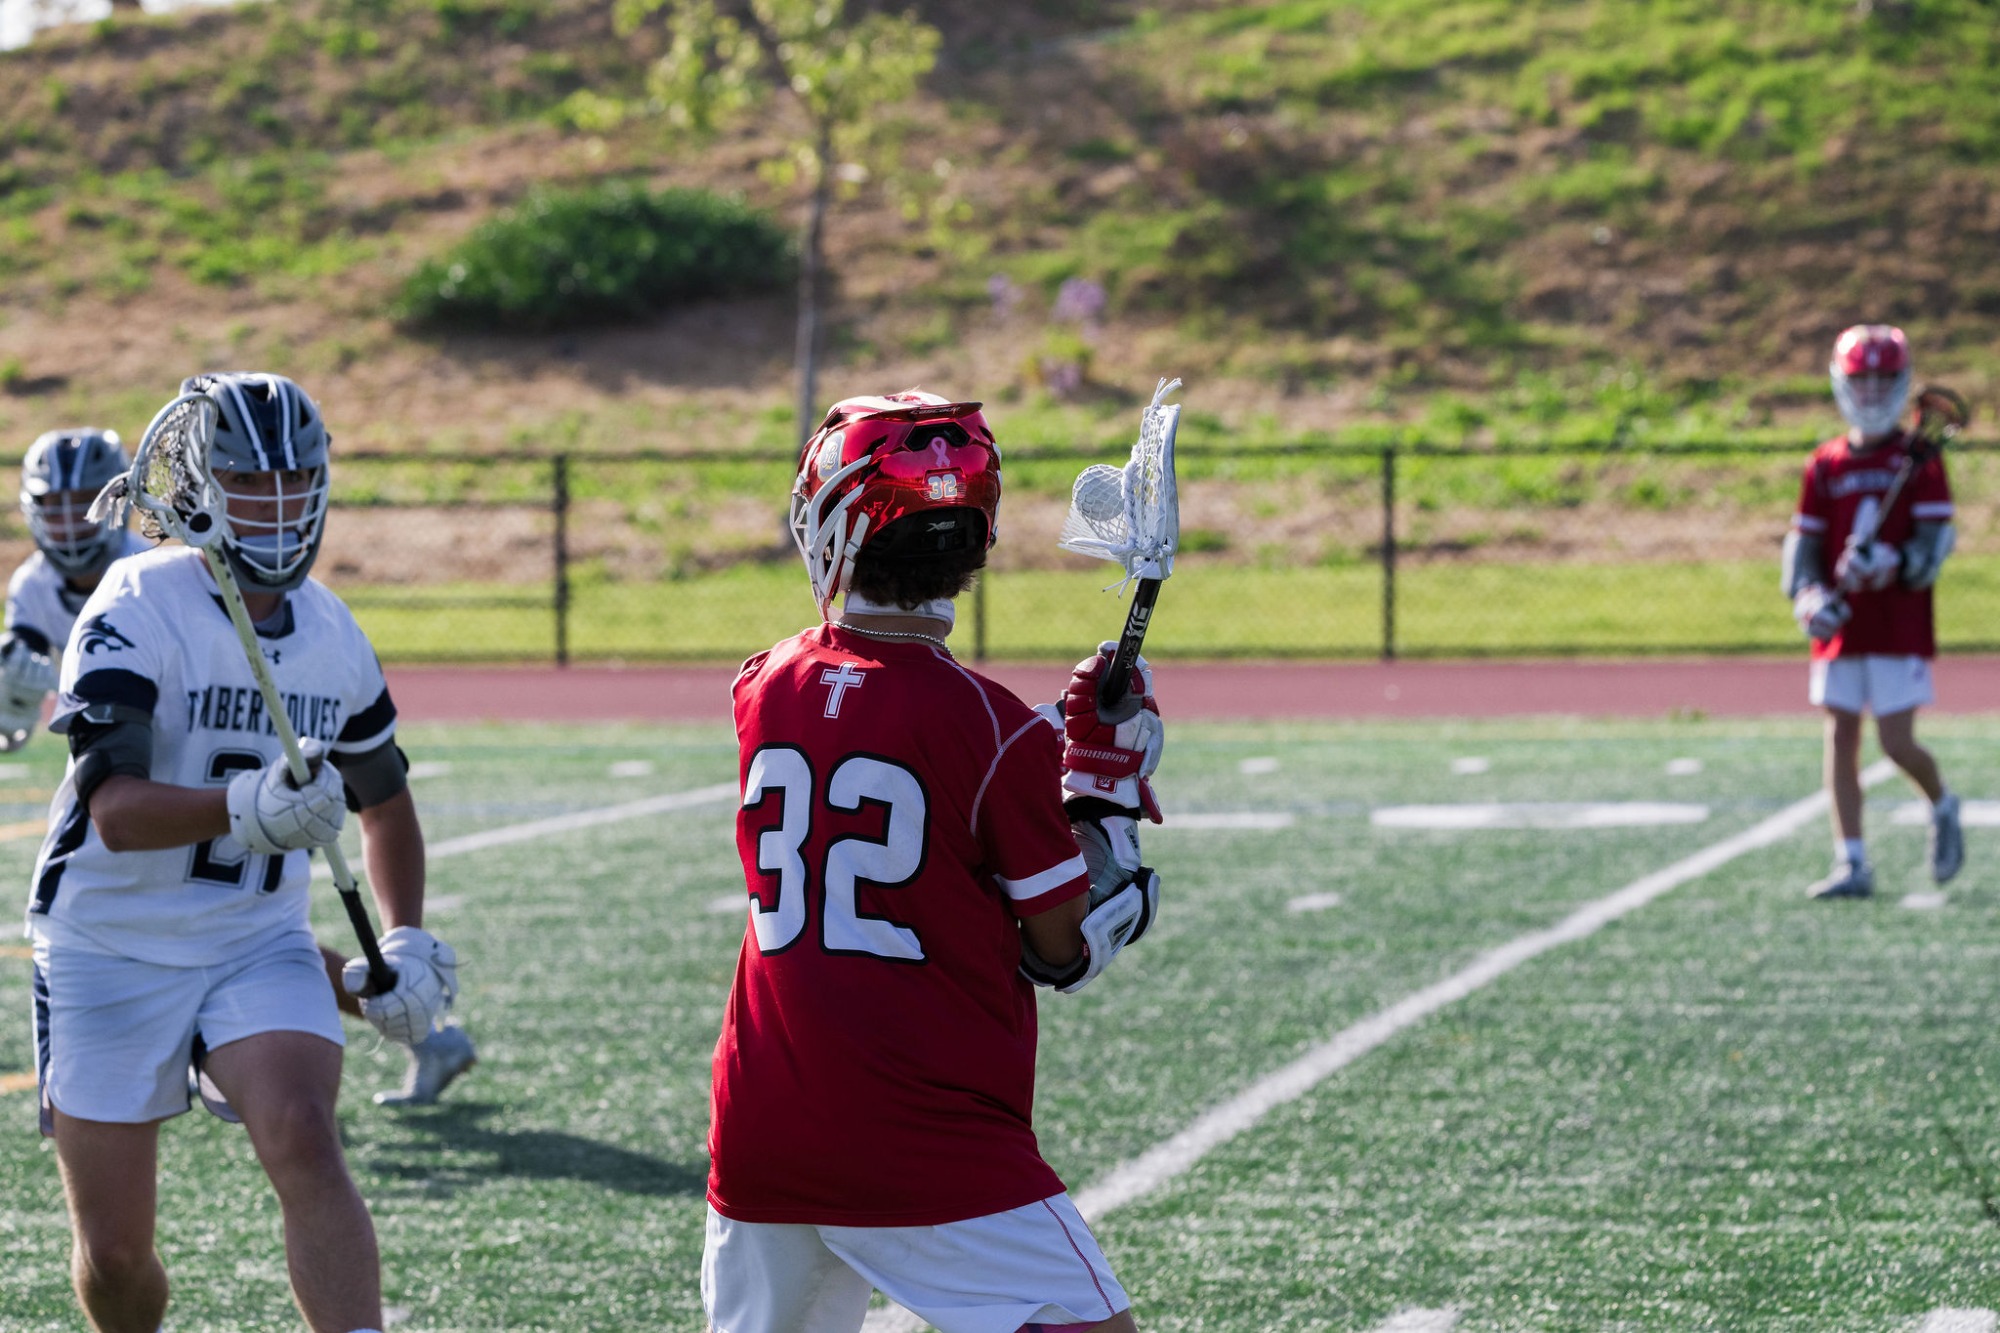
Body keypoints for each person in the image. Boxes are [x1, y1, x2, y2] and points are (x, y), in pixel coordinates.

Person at [703, 391, 1163, 1333]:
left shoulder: (761, 687)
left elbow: (894, 736)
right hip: (923, 1130)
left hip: (761, 1120)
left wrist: (1054, 756)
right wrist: (1103, 798)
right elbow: (1063, 946)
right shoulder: (994, 729)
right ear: (975, 537)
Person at [25, 372, 461, 1333]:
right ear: (199, 486)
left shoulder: (333, 630)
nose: (279, 504)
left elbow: (386, 802)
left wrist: (403, 936)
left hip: (255, 940)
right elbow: (114, 812)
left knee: (305, 1134)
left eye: (296, 480)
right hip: (109, 940)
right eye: (250, 482)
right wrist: (244, 808)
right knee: (116, 1256)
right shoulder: (139, 600)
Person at [7, 425, 475, 1107]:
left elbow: (381, 794)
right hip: (136, 794)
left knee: (244, 929)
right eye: (55, 503)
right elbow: (35, 698)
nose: (70, 518)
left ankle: (326, 1042)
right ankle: (404, 1036)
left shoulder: (155, 574)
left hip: (224, 768)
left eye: (83, 500)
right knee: (225, 923)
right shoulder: (36, 585)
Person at [1785, 324, 1962, 900]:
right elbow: (1804, 549)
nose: (1873, 392)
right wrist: (1809, 597)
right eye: (1863, 380)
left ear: (1903, 383)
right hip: (1842, 624)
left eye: (1885, 380)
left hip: (1896, 623)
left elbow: (1933, 549)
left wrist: (1893, 561)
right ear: (1843, 383)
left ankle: (1942, 803)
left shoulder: (1918, 462)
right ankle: (1851, 860)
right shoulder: (1826, 463)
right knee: (1840, 735)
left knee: (1896, 743)